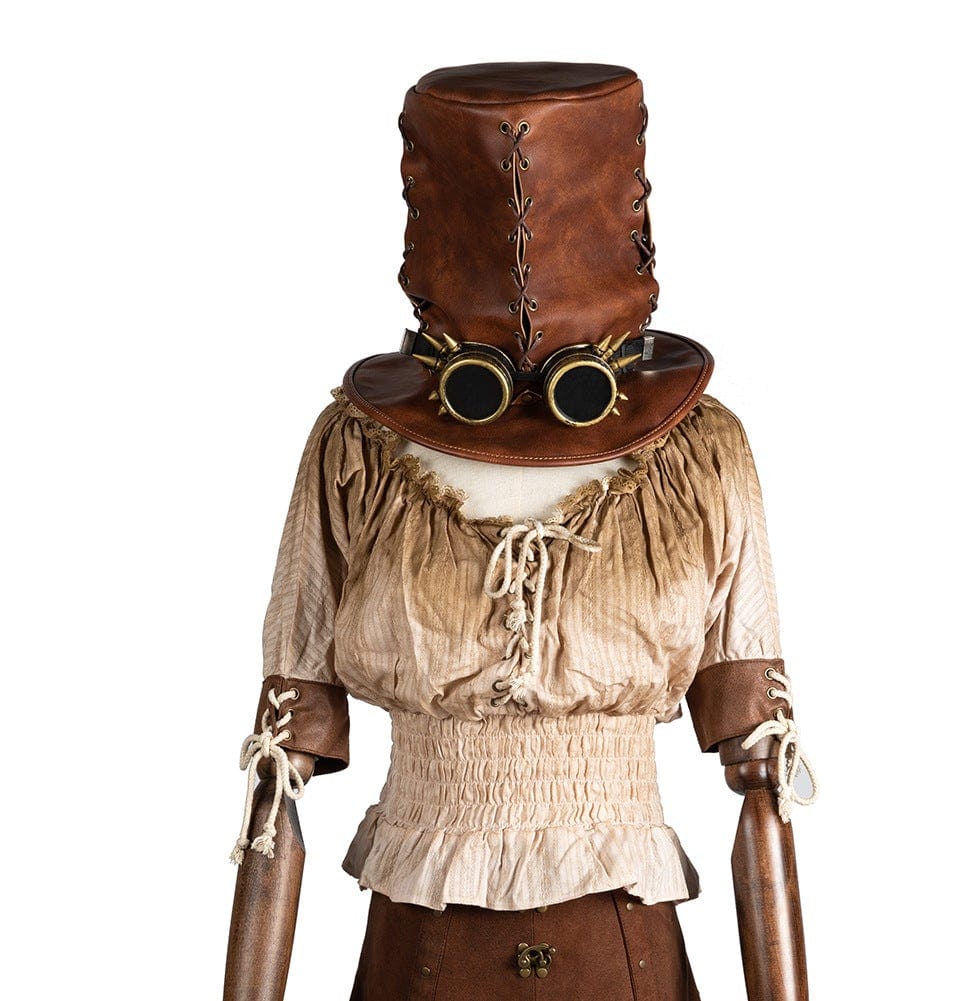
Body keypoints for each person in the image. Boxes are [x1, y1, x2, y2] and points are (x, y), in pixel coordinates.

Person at [223, 61, 817, 1001]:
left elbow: (762, 770)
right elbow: (276, 779)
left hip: (626, 941)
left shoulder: (700, 453)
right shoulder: (355, 449)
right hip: (417, 939)